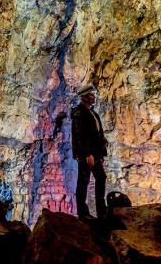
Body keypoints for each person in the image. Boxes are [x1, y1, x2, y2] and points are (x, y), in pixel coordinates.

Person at [70, 84, 108, 219]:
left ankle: (101, 211)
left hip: (95, 154)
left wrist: (101, 153)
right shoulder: (79, 113)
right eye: (91, 95)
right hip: (87, 155)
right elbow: (80, 136)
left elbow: (98, 134)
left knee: (101, 178)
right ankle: (82, 212)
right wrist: (87, 154)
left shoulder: (93, 113)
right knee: (83, 181)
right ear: (84, 97)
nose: (94, 97)